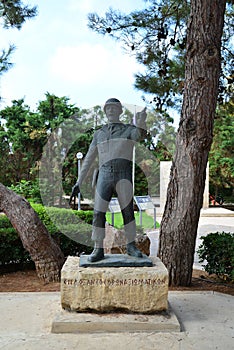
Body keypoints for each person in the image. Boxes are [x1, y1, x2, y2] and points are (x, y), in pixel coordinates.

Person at [70, 98, 147, 262]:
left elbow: (138, 135)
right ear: (105, 112)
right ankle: (98, 248)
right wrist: (79, 182)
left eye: (114, 108)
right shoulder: (99, 134)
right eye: (108, 109)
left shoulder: (128, 130)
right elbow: (89, 158)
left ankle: (131, 246)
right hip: (104, 175)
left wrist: (141, 123)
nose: (111, 111)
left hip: (123, 175)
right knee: (98, 213)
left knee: (127, 211)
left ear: (120, 111)